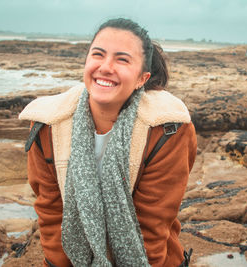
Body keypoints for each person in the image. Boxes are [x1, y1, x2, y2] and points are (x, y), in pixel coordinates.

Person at [19, 18, 197, 267]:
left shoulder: (168, 129)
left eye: (122, 59)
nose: (105, 67)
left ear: (142, 78)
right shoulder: (48, 125)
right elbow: (51, 213)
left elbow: (152, 225)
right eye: (98, 55)